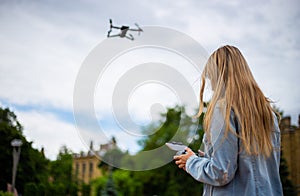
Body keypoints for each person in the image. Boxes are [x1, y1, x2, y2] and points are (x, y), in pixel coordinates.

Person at [174, 45, 283, 196]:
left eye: (212, 78)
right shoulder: (268, 114)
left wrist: (191, 161)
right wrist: (208, 157)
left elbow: (221, 172)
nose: (211, 87)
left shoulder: (223, 109)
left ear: (220, 77)